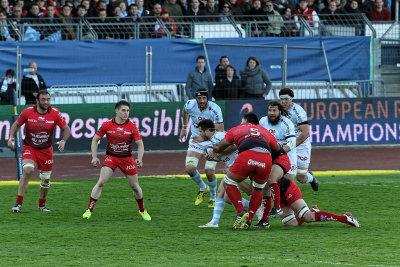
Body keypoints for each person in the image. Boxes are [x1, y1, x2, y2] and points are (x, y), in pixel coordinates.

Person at [213, 112, 285, 229]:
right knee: (258, 190)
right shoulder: (264, 131)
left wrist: (212, 151)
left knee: (228, 182)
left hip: (247, 155)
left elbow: (218, 147)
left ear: (245, 120)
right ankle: (249, 220)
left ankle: (241, 211)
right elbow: (277, 148)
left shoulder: (238, 128)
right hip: (266, 158)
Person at [82, 100, 151, 221]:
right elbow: (95, 139)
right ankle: (89, 210)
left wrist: (139, 159)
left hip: (127, 158)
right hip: (111, 157)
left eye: (128, 111)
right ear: (117, 111)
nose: (126, 113)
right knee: (102, 182)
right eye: (123, 110)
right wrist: (94, 157)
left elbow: (140, 144)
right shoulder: (107, 124)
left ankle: (142, 210)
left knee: (135, 186)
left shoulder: (132, 126)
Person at [8, 90, 71, 213]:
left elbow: (66, 129)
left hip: (46, 150)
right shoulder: (27, 112)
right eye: (43, 100)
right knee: (28, 170)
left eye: (48, 99)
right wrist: (11, 137)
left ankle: (41, 205)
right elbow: (16, 124)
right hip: (30, 147)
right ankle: (18, 204)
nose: (46, 102)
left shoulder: (55, 113)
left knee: (46, 178)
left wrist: (63, 141)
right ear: (37, 100)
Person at [179, 89, 224, 208]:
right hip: (196, 139)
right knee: (189, 168)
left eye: (204, 98)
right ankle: (203, 188)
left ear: (207, 98)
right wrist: (184, 127)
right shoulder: (190, 104)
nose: (202, 101)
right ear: (196, 99)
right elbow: (184, 112)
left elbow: (219, 129)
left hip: (211, 141)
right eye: (199, 98)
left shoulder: (215, 109)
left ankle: (213, 196)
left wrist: (203, 138)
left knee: (209, 171)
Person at [257, 176, 360, 228]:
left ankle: (344, 218)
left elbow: (254, 191)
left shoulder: (260, 164)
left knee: (307, 217)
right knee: (291, 224)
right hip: (278, 194)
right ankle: (313, 211)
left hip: (288, 189)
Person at [259, 100, 296, 217]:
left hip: (286, 156)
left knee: (287, 187)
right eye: (270, 110)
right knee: (267, 185)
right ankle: (265, 218)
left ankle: (294, 212)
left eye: (274, 110)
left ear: (280, 112)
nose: (271, 113)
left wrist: (279, 152)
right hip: (269, 157)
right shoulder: (263, 121)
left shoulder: (287, 123)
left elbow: (291, 143)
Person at [279, 88, 319, 190]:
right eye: (281, 99)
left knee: (301, 177)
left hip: (300, 144)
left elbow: (305, 133)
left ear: (292, 99)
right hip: (286, 143)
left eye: (286, 99)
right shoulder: (278, 109)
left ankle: (311, 178)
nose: (283, 102)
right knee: (283, 172)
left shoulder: (299, 111)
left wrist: (291, 146)